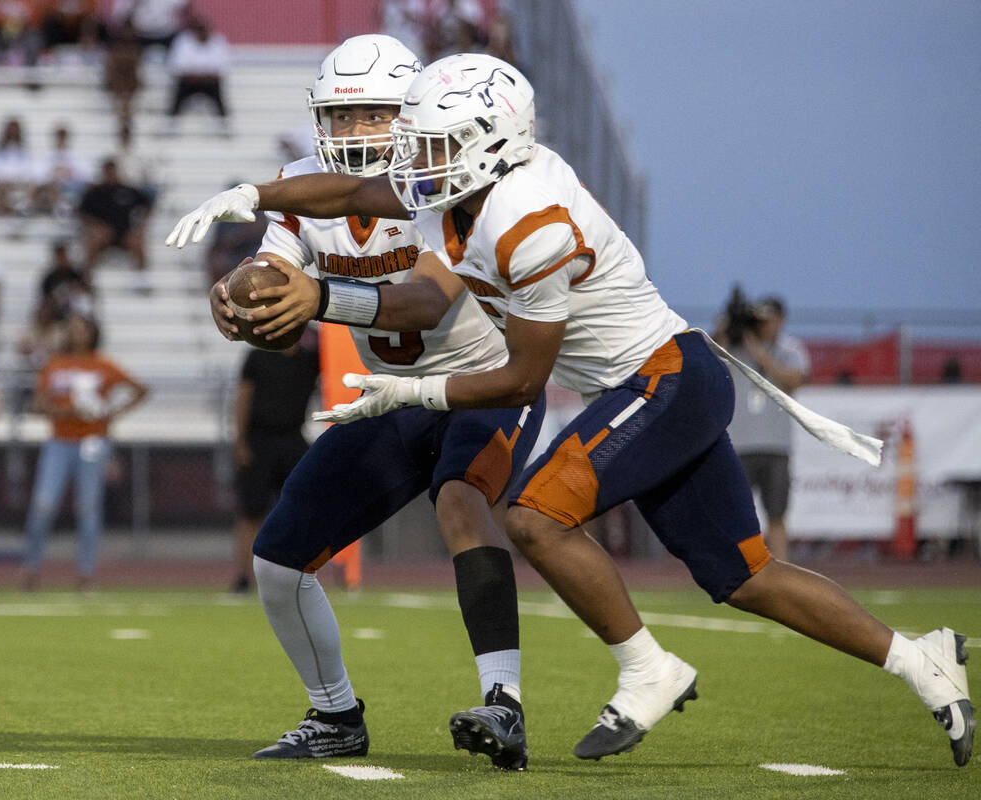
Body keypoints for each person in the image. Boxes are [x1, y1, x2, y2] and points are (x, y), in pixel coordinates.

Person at [167, 53, 974, 767]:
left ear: (488, 140)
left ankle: (646, 668)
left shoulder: (527, 224)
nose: (415, 160)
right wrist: (251, 193)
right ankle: (919, 658)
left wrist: (411, 389)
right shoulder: (467, 188)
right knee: (746, 576)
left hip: (663, 379)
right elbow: (350, 184)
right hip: (649, 380)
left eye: (432, 143)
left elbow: (521, 381)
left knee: (537, 517)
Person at [202, 36, 546, 770]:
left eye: (374, 114)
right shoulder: (304, 185)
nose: (356, 132)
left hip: (482, 380)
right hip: (390, 398)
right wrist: (237, 295)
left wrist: (321, 297)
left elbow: (425, 302)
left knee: (461, 500)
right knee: (279, 559)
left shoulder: (449, 172)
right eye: (342, 115)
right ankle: (334, 716)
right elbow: (272, 266)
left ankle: (504, 704)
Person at [22, 313, 148, 591]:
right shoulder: (55, 364)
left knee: (88, 507)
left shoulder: (102, 364)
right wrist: (66, 411)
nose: (77, 334)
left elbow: (140, 389)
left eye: (82, 329)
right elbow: (39, 404)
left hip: (93, 440)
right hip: (60, 440)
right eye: (73, 329)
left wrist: (113, 413)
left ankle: (86, 573)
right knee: (43, 505)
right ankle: (32, 568)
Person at [718, 295, 809, 562]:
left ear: (781, 319)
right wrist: (725, 330)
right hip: (740, 445)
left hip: (776, 446)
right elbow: (711, 357)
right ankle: (734, 568)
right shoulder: (736, 349)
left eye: (768, 319)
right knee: (735, 514)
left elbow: (796, 380)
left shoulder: (790, 349)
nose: (763, 324)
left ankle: (782, 570)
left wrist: (762, 355)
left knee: (777, 515)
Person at [228, 331, 321, 594]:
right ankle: (244, 577)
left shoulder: (311, 359)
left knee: (300, 509)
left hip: (292, 437)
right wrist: (240, 440)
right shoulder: (258, 356)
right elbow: (244, 396)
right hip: (259, 439)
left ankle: (295, 573)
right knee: (251, 511)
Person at [78, 158, 152, 292]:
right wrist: (95, 226)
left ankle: (141, 278)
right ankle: (88, 277)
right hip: (103, 234)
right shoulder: (95, 193)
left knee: (138, 239)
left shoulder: (127, 190)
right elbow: (82, 213)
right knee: (93, 239)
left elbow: (147, 204)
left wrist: (141, 224)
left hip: (124, 233)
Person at [164, 17, 230, 128]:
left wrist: (196, 74)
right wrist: (203, 74)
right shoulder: (183, 41)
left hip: (209, 83)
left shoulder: (218, 41)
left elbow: (222, 70)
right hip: (188, 83)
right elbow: (176, 68)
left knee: (219, 99)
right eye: (199, 30)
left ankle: (224, 126)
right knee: (176, 99)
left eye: (204, 29)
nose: (202, 33)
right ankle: (170, 125)